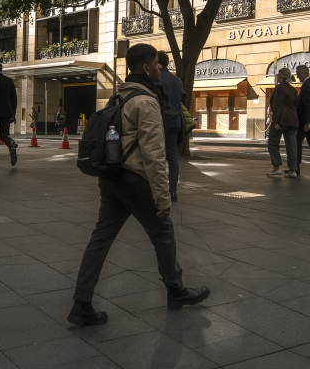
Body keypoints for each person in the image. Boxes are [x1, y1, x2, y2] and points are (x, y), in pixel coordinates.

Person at [69, 43, 209, 327]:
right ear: (146, 68)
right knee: (163, 234)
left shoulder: (119, 96)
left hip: (111, 179)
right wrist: (163, 197)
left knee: (100, 240)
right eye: (157, 63)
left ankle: (81, 302)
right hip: (136, 181)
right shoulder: (145, 101)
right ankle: (176, 290)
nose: (160, 67)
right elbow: (154, 155)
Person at [156, 50, 185, 200]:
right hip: (175, 122)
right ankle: (172, 190)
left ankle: (158, 190)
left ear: (158, 64)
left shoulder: (158, 79)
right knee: (172, 157)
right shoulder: (177, 80)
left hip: (160, 122)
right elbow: (183, 100)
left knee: (157, 155)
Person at [267, 67, 299, 177]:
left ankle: (276, 167)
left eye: (277, 75)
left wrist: (275, 122)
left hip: (281, 120)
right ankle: (292, 171)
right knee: (291, 146)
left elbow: (277, 106)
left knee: (273, 142)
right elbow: (295, 106)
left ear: (280, 76)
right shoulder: (293, 90)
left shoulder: (279, 88)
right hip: (293, 120)